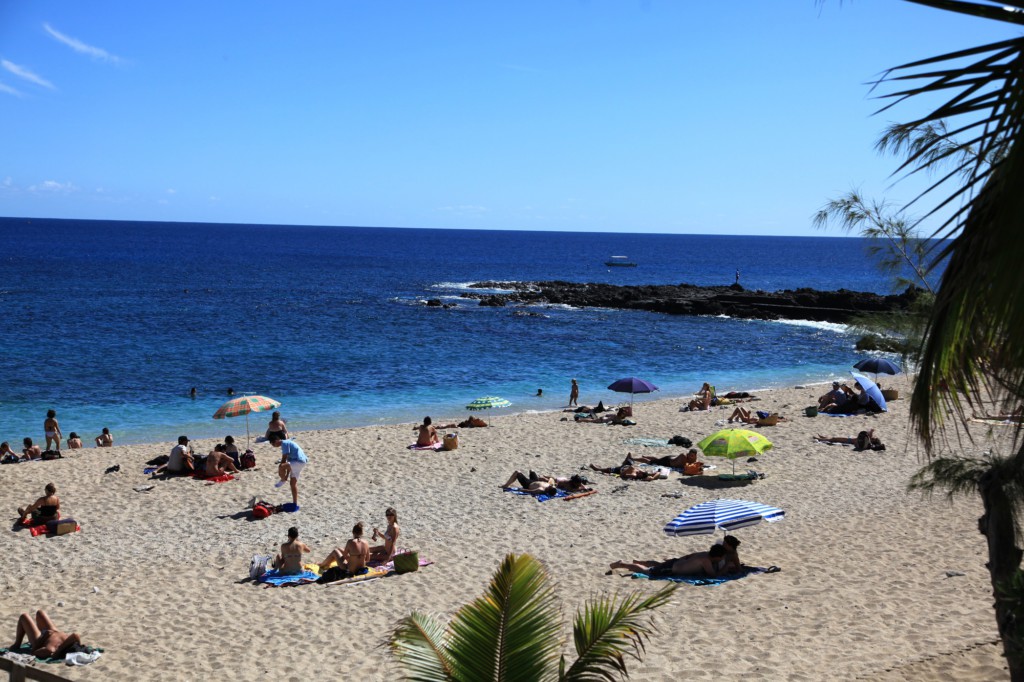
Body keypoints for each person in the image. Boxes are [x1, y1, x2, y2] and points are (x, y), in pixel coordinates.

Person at [610, 545, 727, 578]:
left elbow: (688, 556)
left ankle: (640, 561)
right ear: (717, 556)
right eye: (722, 557)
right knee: (648, 571)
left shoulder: (704, 553)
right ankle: (622, 564)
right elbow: (713, 575)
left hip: (676, 562)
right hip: (672, 569)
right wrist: (725, 568)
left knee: (659, 565)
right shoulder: (706, 560)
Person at [13, 610, 81, 659]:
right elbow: (75, 635)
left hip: (40, 639)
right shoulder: (71, 642)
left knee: (24, 616)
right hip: (54, 631)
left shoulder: (50, 650)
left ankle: (17, 644)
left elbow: (33, 652)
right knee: (40, 613)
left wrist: (44, 637)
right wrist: (60, 649)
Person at [271, 435, 308, 506]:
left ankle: (282, 480)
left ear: (276, 441)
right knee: (292, 484)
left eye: (273, 444)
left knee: (281, 466)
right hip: (300, 463)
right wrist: (287, 475)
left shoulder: (284, 443)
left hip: (299, 461)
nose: (273, 446)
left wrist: (282, 475)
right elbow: (289, 463)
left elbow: (284, 458)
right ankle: (295, 503)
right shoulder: (287, 443)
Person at [814, 429, 886, 451]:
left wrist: (871, 431)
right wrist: (871, 432)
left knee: (834, 439)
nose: (873, 437)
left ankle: (820, 439)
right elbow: (869, 434)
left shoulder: (867, 441)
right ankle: (823, 437)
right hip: (848, 439)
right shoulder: (868, 440)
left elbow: (869, 434)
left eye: (874, 438)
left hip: (848, 440)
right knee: (834, 438)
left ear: (873, 441)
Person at [588, 461, 661, 481]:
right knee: (629, 456)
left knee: (605, 469)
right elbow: (658, 473)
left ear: (640, 476)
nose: (640, 471)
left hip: (620, 469)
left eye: (640, 473)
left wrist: (627, 470)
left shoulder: (634, 475)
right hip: (626, 466)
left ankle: (596, 468)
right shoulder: (642, 473)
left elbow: (622, 475)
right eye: (641, 472)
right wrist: (653, 477)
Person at [631, 448, 700, 469]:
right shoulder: (684, 456)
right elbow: (685, 467)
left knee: (657, 459)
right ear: (688, 454)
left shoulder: (694, 458)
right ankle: (633, 459)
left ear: (695, 455)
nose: (691, 456)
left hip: (671, 459)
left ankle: (646, 456)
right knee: (650, 462)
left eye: (692, 456)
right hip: (668, 461)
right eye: (690, 455)